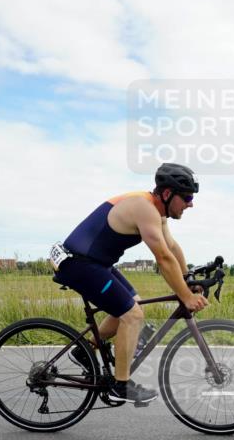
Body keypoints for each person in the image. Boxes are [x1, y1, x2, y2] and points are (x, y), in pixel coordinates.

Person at [53, 163, 208, 403]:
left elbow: (172, 247)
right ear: (168, 194)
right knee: (132, 315)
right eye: (187, 197)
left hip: (97, 263)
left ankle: (85, 350)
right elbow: (163, 258)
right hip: (80, 264)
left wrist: (187, 278)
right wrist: (186, 297)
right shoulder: (144, 208)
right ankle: (121, 386)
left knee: (133, 303)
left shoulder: (156, 212)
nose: (191, 204)